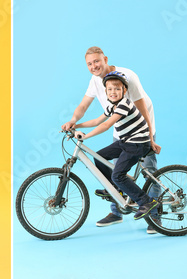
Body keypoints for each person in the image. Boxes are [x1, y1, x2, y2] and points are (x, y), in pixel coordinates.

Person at [61, 46, 161, 233]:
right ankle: (117, 209)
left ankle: (154, 216)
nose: (94, 66)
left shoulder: (127, 77)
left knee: (148, 170)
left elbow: (143, 110)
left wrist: (150, 138)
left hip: (140, 131)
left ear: (105, 59)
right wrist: (74, 122)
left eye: (97, 61)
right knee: (110, 166)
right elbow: (86, 107)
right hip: (122, 130)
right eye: (89, 64)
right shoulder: (96, 81)